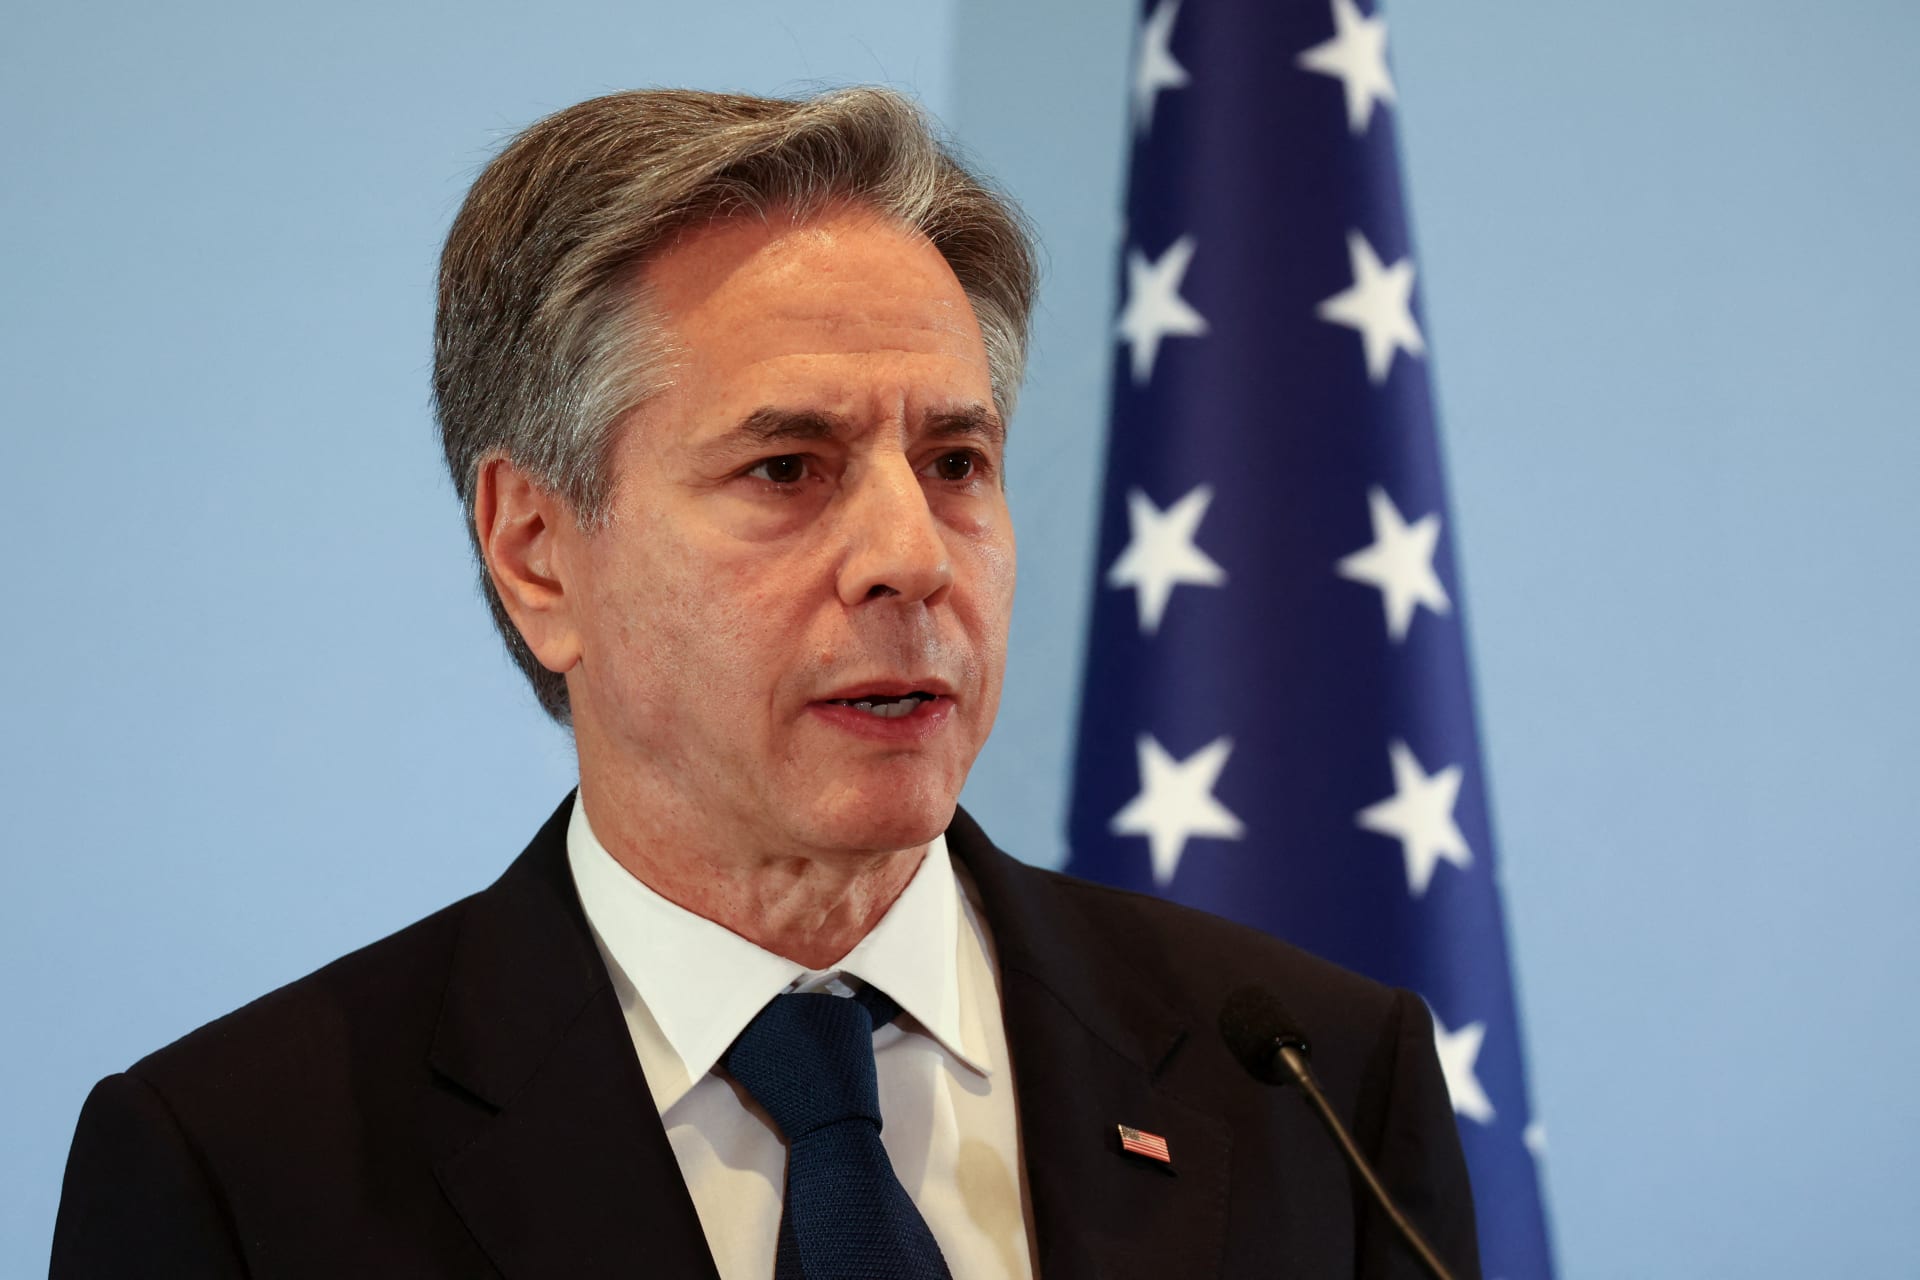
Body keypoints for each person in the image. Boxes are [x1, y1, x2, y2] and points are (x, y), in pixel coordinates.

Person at [51, 87, 1480, 1279]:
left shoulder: (1312, 1086)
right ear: (538, 553)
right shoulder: (241, 1175)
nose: (912, 558)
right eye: (787, 468)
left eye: (957, 463)